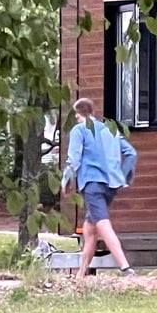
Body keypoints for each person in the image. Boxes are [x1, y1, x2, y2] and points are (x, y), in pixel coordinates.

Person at [61, 98, 137, 280]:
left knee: (102, 224)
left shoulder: (79, 130)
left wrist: (65, 182)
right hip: (111, 185)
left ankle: (125, 267)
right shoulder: (109, 129)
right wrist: (122, 175)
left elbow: (74, 159)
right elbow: (131, 153)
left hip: (92, 183)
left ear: (77, 114)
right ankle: (81, 274)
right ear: (92, 111)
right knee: (90, 229)